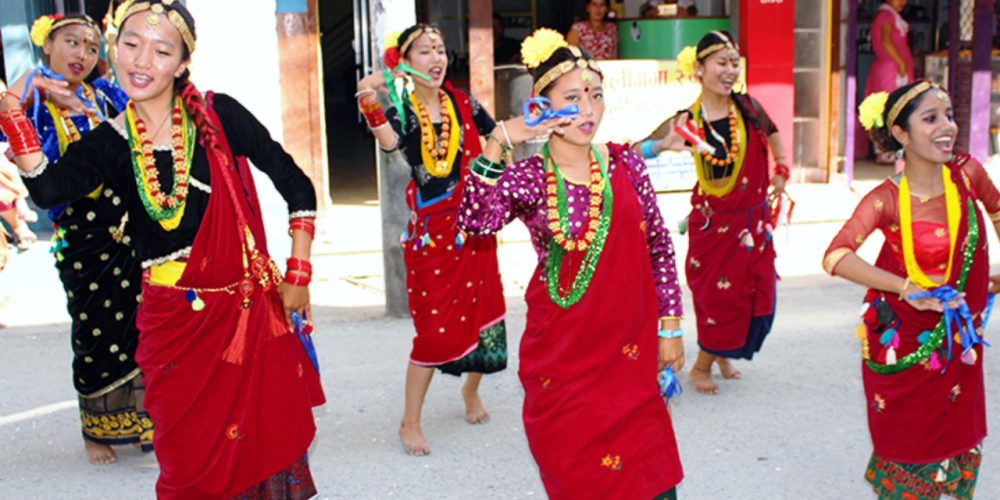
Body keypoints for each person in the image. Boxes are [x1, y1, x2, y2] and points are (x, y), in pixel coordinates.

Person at [0, 1, 324, 497]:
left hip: (240, 316)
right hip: (169, 319)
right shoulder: (111, 139)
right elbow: (46, 189)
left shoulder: (220, 115)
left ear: (181, 62)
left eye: (161, 50)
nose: (142, 60)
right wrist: (14, 119)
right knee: (184, 459)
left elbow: (298, 187)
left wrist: (298, 271)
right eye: (130, 44)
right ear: (115, 49)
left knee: (257, 445)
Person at [459, 28, 684, 499]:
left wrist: (670, 325)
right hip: (562, 359)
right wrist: (501, 139)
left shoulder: (625, 165)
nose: (587, 109)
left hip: (629, 352)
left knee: (648, 472)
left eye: (596, 95)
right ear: (542, 106)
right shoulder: (528, 176)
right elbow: (475, 222)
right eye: (573, 97)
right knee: (579, 474)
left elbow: (659, 246)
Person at [825, 80, 995, 499]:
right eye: (931, 118)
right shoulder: (885, 199)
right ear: (901, 134)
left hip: (960, 341)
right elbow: (835, 256)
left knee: (956, 440)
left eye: (950, 115)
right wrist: (906, 287)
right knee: (910, 449)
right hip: (905, 345)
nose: (947, 127)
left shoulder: (968, 173)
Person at [355, 24, 508, 456]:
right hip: (432, 234)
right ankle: (410, 420)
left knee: (487, 313)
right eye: (424, 51)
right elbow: (388, 145)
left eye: (440, 50)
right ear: (404, 61)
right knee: (433, 331)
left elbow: (498, 136)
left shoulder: (462, 102)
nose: (436, 58)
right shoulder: (402, 110)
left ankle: (471, 393)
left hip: (473, 226)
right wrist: (368, 97)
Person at [2, 12, 148, 465]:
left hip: (126, 226)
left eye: (89, 46)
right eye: (70, 42)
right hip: (82, 236)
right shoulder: (34, 94)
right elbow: (7, 108)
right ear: (46, 45)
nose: (81, 54)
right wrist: (33, 83)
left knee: (139, 324)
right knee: (95, 328)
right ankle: (95, 430)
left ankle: (144, 420)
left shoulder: (101, 94)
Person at [635, 30, 789, 394]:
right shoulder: (687, 119)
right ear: (699, 69)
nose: (731, 70)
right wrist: (661, 146)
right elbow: (641, 148)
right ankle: (702, 365)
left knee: (755, 292)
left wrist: (781, 167)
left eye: (735, 63)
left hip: (754, 223)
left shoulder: (749, 109)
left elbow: (775, 132)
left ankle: (721, 353)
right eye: (722, 63)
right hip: (714, 225)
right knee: (719, 297)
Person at [859, 0, 914, 163]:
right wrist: (901, 62)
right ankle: (885, 151)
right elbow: (886, 41)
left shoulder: (891, 15)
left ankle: (889, 151)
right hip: (890, 70)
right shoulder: (886, 15)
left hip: (892, 68)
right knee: (889, 110)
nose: (903, 2)